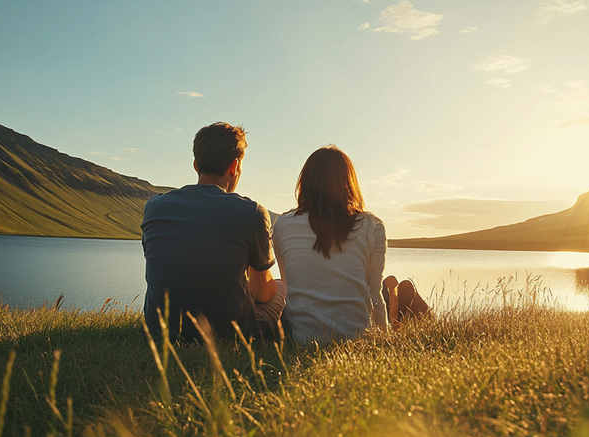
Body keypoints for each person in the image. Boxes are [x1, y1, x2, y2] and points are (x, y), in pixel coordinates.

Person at [141, 122, 286, 343]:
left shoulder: (154, 207)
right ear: (234, 166)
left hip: (159, 330)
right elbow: (262, 294)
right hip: (229, 335)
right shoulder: (252, 212)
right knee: (281, 288)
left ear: (195, 164)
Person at [272, 146, 428, 346]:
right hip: (358, 337)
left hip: (304, 340)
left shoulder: (282, 225)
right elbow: (374, 294)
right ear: (348, 183)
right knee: (398, 289)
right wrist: (383, 339)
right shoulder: (372, 225)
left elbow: (289, 285)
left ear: (305, 182)